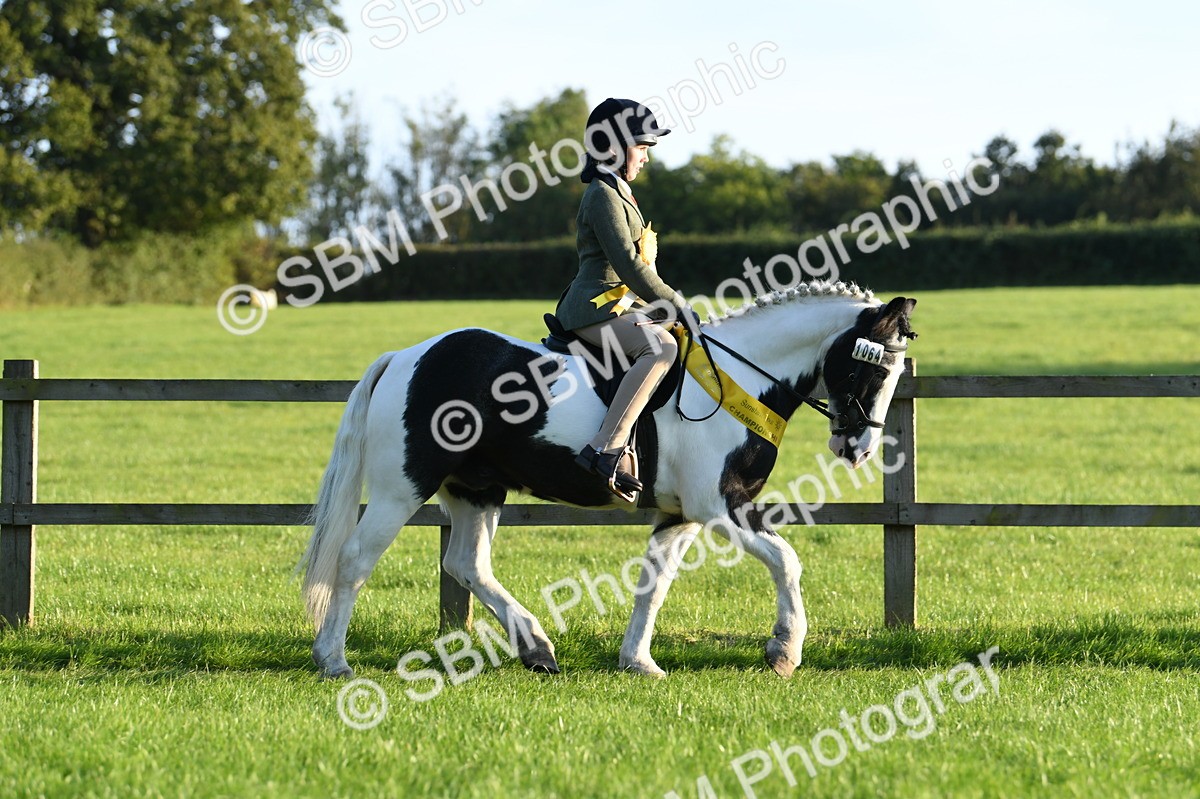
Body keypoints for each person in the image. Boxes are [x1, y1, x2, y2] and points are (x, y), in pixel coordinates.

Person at [555, 98, 698, 498]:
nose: (647, 158)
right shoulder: (602, 195)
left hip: (619, 305)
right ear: (614, 147)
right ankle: (606, 448)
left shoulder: (620, 192)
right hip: (593, 308)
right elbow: (630, 266)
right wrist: (678, 305)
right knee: (660, 348)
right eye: (642, 147)